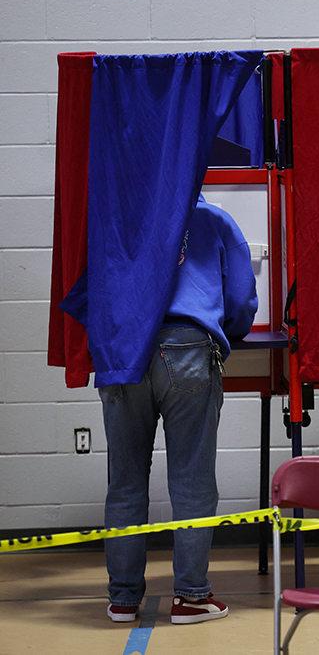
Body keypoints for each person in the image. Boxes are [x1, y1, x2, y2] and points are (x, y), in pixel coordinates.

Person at [101, 194, 257, 624]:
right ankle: (190, 597)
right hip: (187, 345)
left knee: (125, 482)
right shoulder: (214, 219)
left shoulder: (119, 211)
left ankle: (123, 599)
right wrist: (228, 332)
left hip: (124, 348)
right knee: (192, 480)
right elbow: (242, 301)